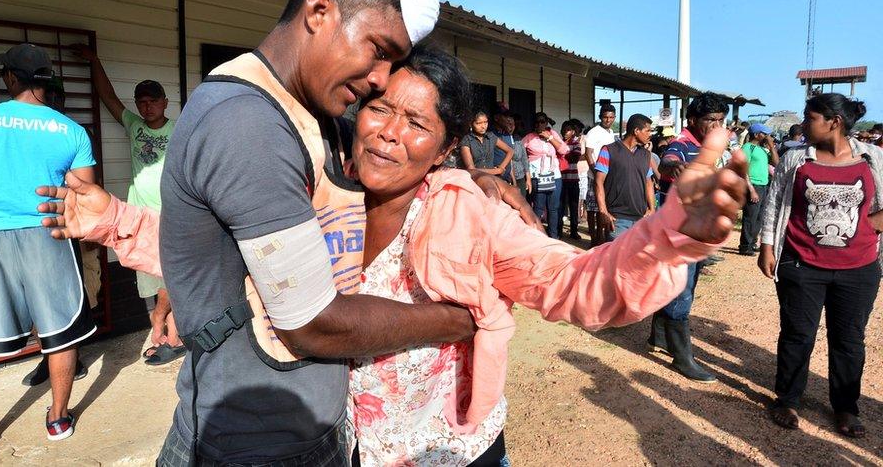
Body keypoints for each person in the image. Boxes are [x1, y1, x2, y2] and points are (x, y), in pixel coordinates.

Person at [37, 45, 748, 466]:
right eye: (379, 109)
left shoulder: (471, 213)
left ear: (444, 148)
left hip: (451, 455)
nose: (386, 133)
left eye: (416, 123)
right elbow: (219, 252)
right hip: (339, 450)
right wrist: (112, 220)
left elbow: (578, 284)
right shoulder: (315, 195)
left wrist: (670, 229)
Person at [0, 43, 97, 461]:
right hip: (51, 233)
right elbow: (82, 193)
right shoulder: (70, 130)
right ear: (45, 80)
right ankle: (59, 418)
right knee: (60, 332)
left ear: (10, 78)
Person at [759, 94, 883, 438]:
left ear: (834, 122)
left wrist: (874, 223)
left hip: (859, 268)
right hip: (802, 264)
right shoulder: (796, 159)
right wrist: (767, 246)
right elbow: (773, 203)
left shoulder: (873, 158)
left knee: (849, 340)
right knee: (798, 334)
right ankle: (788, 399)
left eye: (809, 117)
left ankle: (845, 408)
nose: (804, 122)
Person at [69, 45, 183, 366]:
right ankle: (166, 337)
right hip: (138, 219)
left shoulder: (180, 130)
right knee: (151, 283)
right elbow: (108, 97)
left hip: (172, 218)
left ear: (165, 103)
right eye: (142, 102)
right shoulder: (134, 125)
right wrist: (94, 60)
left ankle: (164, 332)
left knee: (169, 282)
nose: (147, 107)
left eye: (153, 101)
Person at [649, 92, 729, 383]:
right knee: (682, 294)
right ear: (693, 120)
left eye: (721, 119)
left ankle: (657, 337)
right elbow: (667, 162)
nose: (716, 125)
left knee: (682, 285)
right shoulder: (682, 145)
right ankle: (683, 358)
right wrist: (674, 167)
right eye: (710, 120)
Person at [594, 114, 655, 239]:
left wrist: (652, 209)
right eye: (648, 130)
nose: (650, 134)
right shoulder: (609, 150)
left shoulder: (646, 155)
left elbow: (649, 183)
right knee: (616, 258)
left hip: (641, 218)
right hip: (617, 220)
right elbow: (598, 182)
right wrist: (603, 211)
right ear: (636, 131)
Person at [523, 111, 570, 239]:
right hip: (537, 176)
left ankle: (553, 236)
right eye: (537, 122)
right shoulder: (529, 137)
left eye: (542, 122)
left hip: (554, 176)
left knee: (553, 208)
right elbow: (520, 154)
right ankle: (537, 237)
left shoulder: (553, 134)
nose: (540, 124)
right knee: (538, 208)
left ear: (546, 123)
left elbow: (565, 150)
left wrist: (549, 138)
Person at [739, 123, 780, 256]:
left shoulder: (762, 150)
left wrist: (771, 145)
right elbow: (742, 169)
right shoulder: (747, 148)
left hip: (764, 185)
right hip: (753, 185)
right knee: (750, 217)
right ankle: (745, 246)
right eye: (765, 134)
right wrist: (751, 189)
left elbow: (776, 163)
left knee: (759, 217)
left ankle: (752, 243)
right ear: (756, 135)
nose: (767, 136)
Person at [584, 104, 617, 247]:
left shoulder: (611, 133)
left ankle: (601, 237)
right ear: (600, 117)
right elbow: (588, 153)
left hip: (608, 177)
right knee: (592, 209)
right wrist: (595, 171)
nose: (608, 120)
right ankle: (593, 239)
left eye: (611, 117)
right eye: (605, 117)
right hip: (595, 176)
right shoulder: (593, 132)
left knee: (602, 208)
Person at [461, 111, 513, 176]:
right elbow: (471, 169)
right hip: (476, 180)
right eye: (478, 123)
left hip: (492, 179)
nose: (483, 126)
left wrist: (502, 167)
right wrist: (495, 171)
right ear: (471, 124)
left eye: (485, 122)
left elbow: (510, 151)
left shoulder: (491, 136)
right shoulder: (466, 140)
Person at [558, 119, 584, 239]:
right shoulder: (558, 142)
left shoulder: (575, 143)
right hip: (561, 180)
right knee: (560, 206)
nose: (565, 132)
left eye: (568, 130)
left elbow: (574, 158)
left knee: (573, 207)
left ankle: (574, 230)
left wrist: (562, 151)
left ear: (573, 132)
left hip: (573, 180)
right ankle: (558, 229)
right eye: (564, 129)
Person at [501, 113, 531, 196]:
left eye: (513, 124)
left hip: (520, 176)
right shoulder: (500, 138)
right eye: (508, 124)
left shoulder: (517, 139)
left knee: (522, 201)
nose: (511, 126)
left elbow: (524, 159)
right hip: (507, 177)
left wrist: (528, 178)